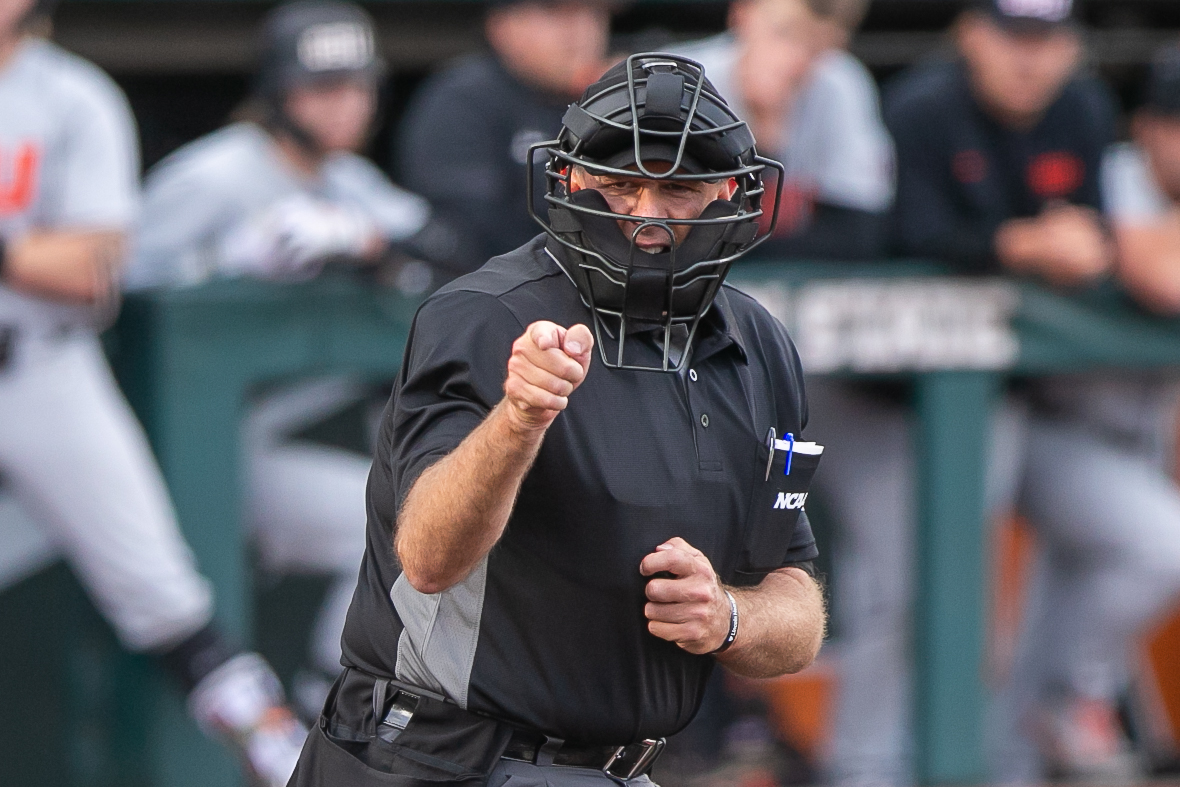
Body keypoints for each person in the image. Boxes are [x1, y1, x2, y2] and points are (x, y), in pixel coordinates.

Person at [289, 54, 828, 786]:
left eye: (679, 188)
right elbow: (427, 555)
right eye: (620, 183)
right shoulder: (483, 315)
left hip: (621, 768)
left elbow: (795, 601)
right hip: (438, 759)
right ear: (570, 179)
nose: (646, 216)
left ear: (731, 193)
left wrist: (728, 615)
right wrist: (518, 418)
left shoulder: (759, 346)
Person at [0, 0, 306, 784]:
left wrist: (25, 251)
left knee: (161, 591)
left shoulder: (72, 97)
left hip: (39, 366)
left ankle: (288, 763)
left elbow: (89, 270)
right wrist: (26, 248)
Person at [874, 0, 1179, 783]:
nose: (1028, 58)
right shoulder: (927, 107)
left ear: (1072, 46)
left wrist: (1084, 244)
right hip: (925, 412)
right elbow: (905, 236)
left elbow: (1099, 236)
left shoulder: (1079, 109)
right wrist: (1022, 244)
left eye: (1046, 39)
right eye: (1013, 36)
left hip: (1063, 419)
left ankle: (1047, 710)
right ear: (972, 32)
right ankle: (875, 768)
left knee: (1143, 548)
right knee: (928, 605)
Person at [126, 0, 454, 715]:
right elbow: (111, 290)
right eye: (322, 86)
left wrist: (369, 242)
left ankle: (328, 708)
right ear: (280, 92)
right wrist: (220, 264)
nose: (345, 105)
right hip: (199, 449)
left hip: (299, 434)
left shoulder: (346, 181)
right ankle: (331, 710)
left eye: (356, 85)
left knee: (418, 526)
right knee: (397, 531)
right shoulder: (212, 176)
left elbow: (453, 252)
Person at [396, 0, 614, 273]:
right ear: (500, 26)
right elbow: (471, 230)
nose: (580, 32)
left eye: (592, 14)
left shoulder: (612, 103)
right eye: (556, 15)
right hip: (498, 291)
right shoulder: (464, 100)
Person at [675, 0, 893, 260]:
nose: (794, 57)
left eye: (814, 47)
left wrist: (771, 141)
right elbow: (660, 221)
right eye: (782, 33)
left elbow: (863, 231)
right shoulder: (681, 79)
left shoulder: (841, 83)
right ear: (741, 15)